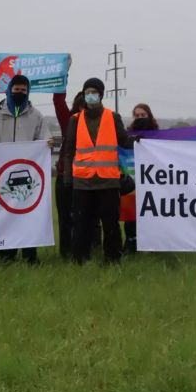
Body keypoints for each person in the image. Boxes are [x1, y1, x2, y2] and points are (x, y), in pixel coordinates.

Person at [0, 74, 52, 264]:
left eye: (23, 90)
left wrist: (47, 143)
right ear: (9, 89)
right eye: (16, 89)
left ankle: (30, 255)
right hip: (1, 175)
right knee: (4, 215)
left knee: (28, 215)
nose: (19, 93)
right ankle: (6, 255)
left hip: (29, 175)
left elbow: (43, 138)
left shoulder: (36, 115)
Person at [61, 78, 132, 264]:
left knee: (110, 223)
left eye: (94, 92)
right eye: (87, 92)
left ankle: (113, 259)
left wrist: (143, 140)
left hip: (107, 180)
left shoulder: (112, 116)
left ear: (100, 95)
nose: (90, 95)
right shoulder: (75, 120)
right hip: (82, 181)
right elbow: (69, 150)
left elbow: (124, 141)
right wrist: (68, 178)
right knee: (81, 222)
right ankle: (80, 259)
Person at [121, 103, 159, 254]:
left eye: (143, 115)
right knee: (131, 215)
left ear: (149, 115)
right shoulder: (127, 135)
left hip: (153, 181)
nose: (140, 118)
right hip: (133, 182)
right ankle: (131, 243)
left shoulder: (158, 135)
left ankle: (153, 245)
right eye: (137, 116)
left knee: (152, 214)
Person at [54, 92, 82, 259]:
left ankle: (86, 250)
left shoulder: (100, 122)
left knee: (87, 218)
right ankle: (66, 252)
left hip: (88, 177)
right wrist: (63, 72)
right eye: (80, 106)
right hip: (65, 176)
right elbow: (58, 100)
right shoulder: (68, 121)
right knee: (65, 217)